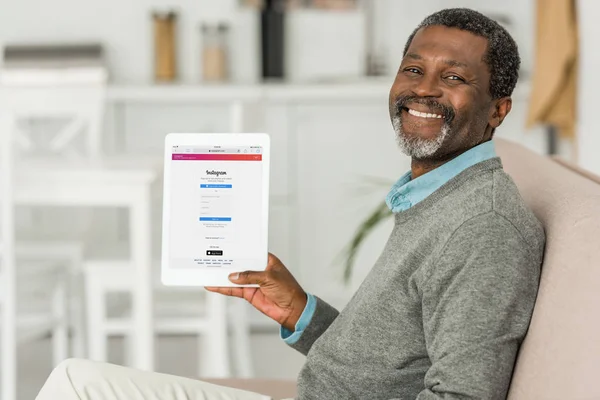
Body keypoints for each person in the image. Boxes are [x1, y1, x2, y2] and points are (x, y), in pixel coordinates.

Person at [36, 8, 545, 400]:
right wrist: (300, 311)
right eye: (413, 69)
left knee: (76, 385)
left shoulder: (484, 225)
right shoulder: (438, 197)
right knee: (75, 381)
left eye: (454, 77)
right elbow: (390, 364)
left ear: (498, 110)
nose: (423, 90)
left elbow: (461, 394)